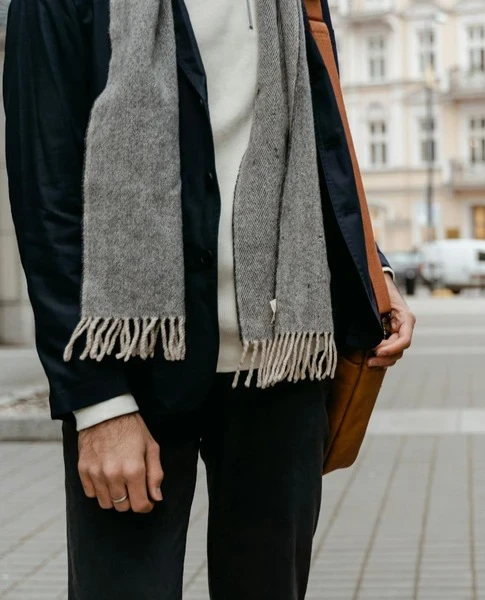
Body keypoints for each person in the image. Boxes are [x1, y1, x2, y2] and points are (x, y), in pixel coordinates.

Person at [3, 0, 415, 598]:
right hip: (132, 366)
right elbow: (46, 193)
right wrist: (95, 402)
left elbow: (319, 136)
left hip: (281, 358)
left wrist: (373, 270)